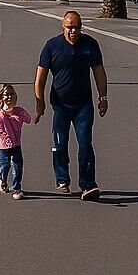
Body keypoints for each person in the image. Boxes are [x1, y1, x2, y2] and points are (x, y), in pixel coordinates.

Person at [35, 10, 107, 201]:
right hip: (60, 105)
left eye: (76, 27)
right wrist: (39, 102)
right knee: (60, 145)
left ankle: (88, 185)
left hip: (83, 105)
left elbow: (99, 72)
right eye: (69, 27)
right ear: (63, 26)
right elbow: (40, 77)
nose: (73, 31)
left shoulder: (90, 45)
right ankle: (62, 178)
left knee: (85, 144)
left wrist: (103, 98)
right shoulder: (52, 46)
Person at [0, 83, 37, 199]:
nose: (9, 97)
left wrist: (22, 114)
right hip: (4, 147)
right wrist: (8, 141)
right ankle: (2, 180)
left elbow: (28, 119)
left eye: (11, 94)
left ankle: (17, 188)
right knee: (5, 165)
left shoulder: (18, 111)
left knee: (18, 165)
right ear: (0, 97)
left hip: (16, 145)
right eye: (6, 95)